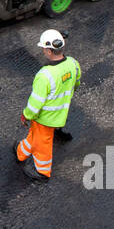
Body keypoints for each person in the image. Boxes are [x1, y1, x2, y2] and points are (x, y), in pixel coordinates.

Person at [16, 29, 79, 181]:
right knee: (35, 136)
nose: (43, 50)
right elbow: (75, 84)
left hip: (45, 118)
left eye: (44, 48)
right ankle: (21, 152)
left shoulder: (44, 75)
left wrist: (26, 115)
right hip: (60, 112)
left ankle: (43, 172)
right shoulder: (73, 64)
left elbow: (35, 103)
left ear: (49, 51)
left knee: (42, 144)